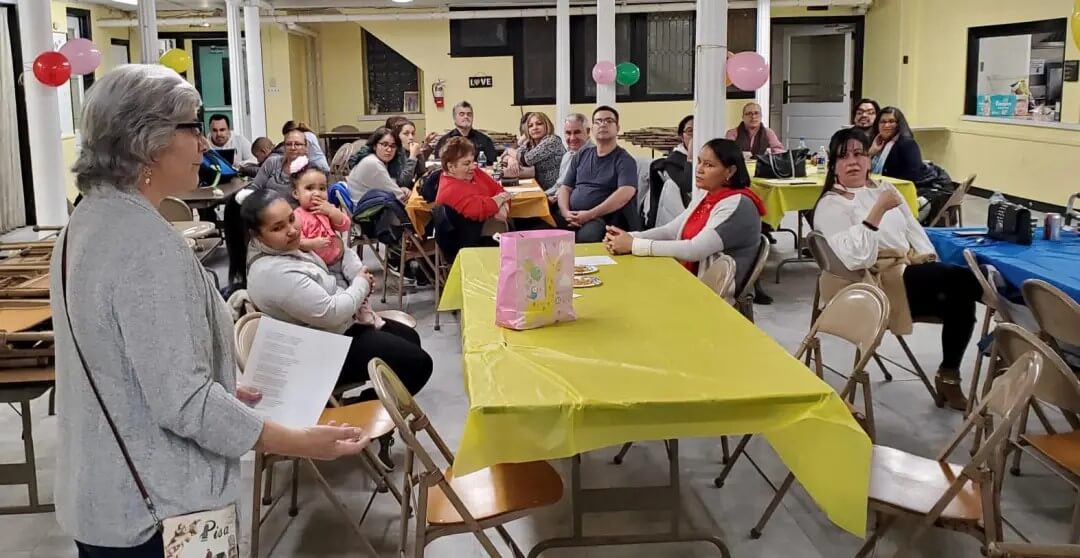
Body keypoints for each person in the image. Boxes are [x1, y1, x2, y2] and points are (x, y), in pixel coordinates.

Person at [54, 64, 368, 557]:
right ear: (146, 141)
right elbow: (186, 404)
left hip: (104, 492)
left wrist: (217, 376)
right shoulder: (147, 246)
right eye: (193, 127)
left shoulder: (85, 223)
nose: (205, 143)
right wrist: (301, 441)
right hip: (157, 509)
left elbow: (123, 359)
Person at [813, 127, 980, 410]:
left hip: (904, 272)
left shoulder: (885, 189)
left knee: (960, 299)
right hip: (865, 285)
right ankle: (1005, 317)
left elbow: (914, 232)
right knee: (965, 280)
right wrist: (877, 210)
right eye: (844, 157)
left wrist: (927, 259)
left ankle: (949, 375)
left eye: (859, 154)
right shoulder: (831, 205)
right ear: (834, 166)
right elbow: (857, 259)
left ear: (870, 159)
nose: (853, 162)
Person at [242, 188, 433, 400]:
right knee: (418, 365)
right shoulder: (274, 273)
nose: (292, 230)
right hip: (318, 348)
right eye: (278, 227)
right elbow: (331, 312)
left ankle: (381, 398)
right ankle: (360, 409)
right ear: (256, 234)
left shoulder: (287, 247)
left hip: (331, 328)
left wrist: (355, 278)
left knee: (410, 338)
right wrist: (360, 284)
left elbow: (339, 254)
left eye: (291, 218)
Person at [605, 138, 765, 290]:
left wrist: (634, 245)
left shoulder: (737, 204)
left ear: (730, 171)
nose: (699, 169)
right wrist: (630, 237)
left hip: (715, 293)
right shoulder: (708, 195)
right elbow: (671, 231)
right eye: (699, 161)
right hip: (693, 279)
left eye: (709, 165)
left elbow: (695, 250)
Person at [289, 156, 383, 328]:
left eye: (322, 188)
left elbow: (345, 225)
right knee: (341, 289)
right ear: (296, 193)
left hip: (342, 254)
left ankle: (366, 310)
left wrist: (332, 212)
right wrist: (312, 243)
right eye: (309, 188)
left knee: (360, 276)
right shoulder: (297, 216)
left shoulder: (326, 209)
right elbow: (295, 242)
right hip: (323, 265)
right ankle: (351, 317)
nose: (317, 193)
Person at [555, 105, 640, 243]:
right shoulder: (582, 154)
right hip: (571, 215)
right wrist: (565, 212)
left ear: (617, 127)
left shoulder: (624, 160)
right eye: (598, 121)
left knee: (586, 238)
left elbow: (626, 193)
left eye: (608, 121)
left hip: (602, 218)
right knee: (536, 225)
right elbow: (565, 187)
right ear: (592, 129)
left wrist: (590, 214)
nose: (603, 125)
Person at [434, 137, 511, 263]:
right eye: (466, 163)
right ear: (451, 167)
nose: (473, 166)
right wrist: (501, 199)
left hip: (489, 238)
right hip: (472, 250)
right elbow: (480, 209)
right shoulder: (450, 189)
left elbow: (498, 189)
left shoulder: (474, 173)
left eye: (472, 161)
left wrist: (503, 208)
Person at [645, 115, 694, 228]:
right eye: (690, 131)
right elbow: (687, 185)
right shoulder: (673, 160)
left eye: (699, 129)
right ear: (682, 137)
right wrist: (690, 158)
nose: (696, 135)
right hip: (683, 213)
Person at [345, 127, 412, 204]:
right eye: (384, 145)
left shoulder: (373, 159)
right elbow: (400, 198)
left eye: (393, 146)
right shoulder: (373, 163)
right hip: (367, 212)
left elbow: (390, 188)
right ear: (374, 146)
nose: (389, 150)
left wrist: (400, 190)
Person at [502, 112, 566, 191]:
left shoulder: (552, 140)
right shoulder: (531, 143)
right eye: (530, 126)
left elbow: (526, 160)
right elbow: (504, 158)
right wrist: (510, 159)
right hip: (537, 188)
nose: (534, 128)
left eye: (539, 124)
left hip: (555, 192)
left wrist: (509, 150)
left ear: (547, 125)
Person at [869, 106, 924, 183]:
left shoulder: (907, 144)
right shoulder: (876, 144)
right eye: (883, 122)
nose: (886, 125)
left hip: (896, 192)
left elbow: (913, 176)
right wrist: (871, 152)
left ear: (899, 124)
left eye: (891, 121)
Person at [251, 128, 309, 199]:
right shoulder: (272, 162)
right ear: (284, 147)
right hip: (265, 207)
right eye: (288, 144)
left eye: (297, 144)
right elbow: (254, 187)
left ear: (306, 147)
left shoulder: (312, 171)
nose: (293, 147)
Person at [433, 101, 497, 163]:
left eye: (469, 114)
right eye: (462, 114)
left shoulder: (484, 140)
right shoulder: (444, 141)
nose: (466, 117)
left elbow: (493, 165)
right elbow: (439, 166)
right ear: (454, 118)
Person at [554, 113, 594, 199]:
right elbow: (558, 185)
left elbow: (580, 190)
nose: (572, 138)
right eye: (568, 133)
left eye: (577, 132)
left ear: (587, 131)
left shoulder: (593, 156)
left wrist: (554, 198)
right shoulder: (567, 155)